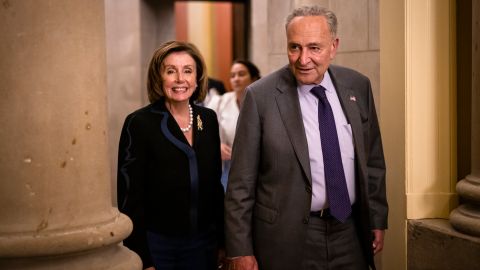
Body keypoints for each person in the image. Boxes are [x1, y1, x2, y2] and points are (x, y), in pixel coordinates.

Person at [224, 5, 387, 270]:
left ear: (333, 46)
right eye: (294, 47)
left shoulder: (357, 86)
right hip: (287, 237)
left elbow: (373, 161)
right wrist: (239, 249)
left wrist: (378, 218)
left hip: (351, 233)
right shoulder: (261, 97)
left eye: (314, 48)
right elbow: (240, 183)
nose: (303, 59)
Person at [117, 40, 224, 270]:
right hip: (159, 247)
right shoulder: (139, 123)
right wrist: (143, 258)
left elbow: (215, 187)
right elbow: (130, 197)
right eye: (170, 71)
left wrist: (223, 242)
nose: (179, 79)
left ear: (197, 78)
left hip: (205, 244)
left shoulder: (209, 119)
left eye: (187, 71)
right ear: (159, 77)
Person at [209, 60, 261, 190]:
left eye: (241, 74)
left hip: (256, 168)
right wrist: (217, 145)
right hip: (227, 168)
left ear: (253, 78)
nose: (236, 79)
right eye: (232, 76)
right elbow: (203, 130)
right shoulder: (220, 102)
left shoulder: (264, 103)